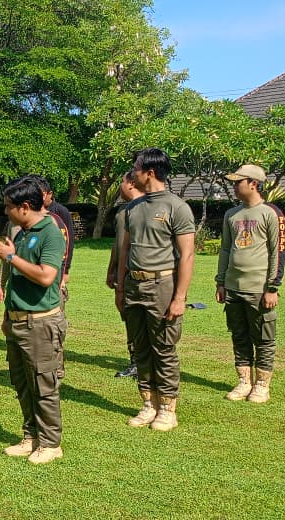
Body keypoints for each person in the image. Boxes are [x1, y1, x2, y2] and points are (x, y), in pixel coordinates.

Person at [116, 148, 196, 432]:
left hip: (162, 285)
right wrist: (120, 289)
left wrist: (179, 298)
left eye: (136, 168)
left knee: (163, 348)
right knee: (140, 348)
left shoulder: (177, 207)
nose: (132, 174)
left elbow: (187, 255)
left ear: (149, 172)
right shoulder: (133, 208)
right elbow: (126, 249)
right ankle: (148, 404)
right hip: (134, 286)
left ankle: (167, 409)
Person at [0, 176, 69, 464]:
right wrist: (7, 315)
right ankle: (31, 436)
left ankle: (50, 443)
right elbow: (16, 281)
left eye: (9, 206)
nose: (6, 211)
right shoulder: (21, 232)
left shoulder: (51, 232)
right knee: (22, 383)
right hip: (17, 320)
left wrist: (11, 258)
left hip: (40, 322)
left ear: (24, 207)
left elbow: (47, 276)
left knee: (43, 384)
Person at [216, 164, 285, 403]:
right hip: (233, 287)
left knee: (264, 338)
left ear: (253, 184)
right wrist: (221, 282)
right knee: (239, 336)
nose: (234, 187)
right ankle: (244, 381)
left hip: (259, 288)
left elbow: (278, 252)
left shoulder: (271, 213)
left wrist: (272, 287)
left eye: (238, 182)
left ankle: (262, 385)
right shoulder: (231, 214)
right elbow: (226, 249)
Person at [107, 170, 144, 378]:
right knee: (129, 317)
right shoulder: (123, 211)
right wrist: (111, 270)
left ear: (131, 183)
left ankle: (145, 363)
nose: (120, 186)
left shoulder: (143, 209)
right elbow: (118, 244)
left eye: (121, 181)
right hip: (124, 275)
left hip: (139, 274)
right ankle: (135, 360)